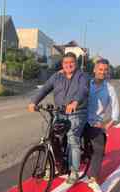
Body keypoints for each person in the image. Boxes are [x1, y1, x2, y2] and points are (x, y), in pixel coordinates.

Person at [28, 52, 90, 184]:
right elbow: (45, 89)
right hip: (60, 112)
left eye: (71, 62)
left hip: (77, 112)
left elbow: (83, 90)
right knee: (53, 137)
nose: (69, 65)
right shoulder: (57, 76)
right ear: (62, 64)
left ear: (76, 63)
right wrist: (34, 102)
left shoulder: (82, 76)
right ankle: (55, 164)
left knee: (73, 139)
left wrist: (75, 102)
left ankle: (74, 172)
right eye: (66, 63)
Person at [85, 58, 119, 192]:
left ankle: (92, 180)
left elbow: (116, 111)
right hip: (80, 119)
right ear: (94, 70)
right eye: (100, 69)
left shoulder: (110, 89)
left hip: (94, 123)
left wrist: (106, 125)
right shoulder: (86, 83)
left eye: (105, 70)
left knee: (99, 148)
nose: (103, 72)